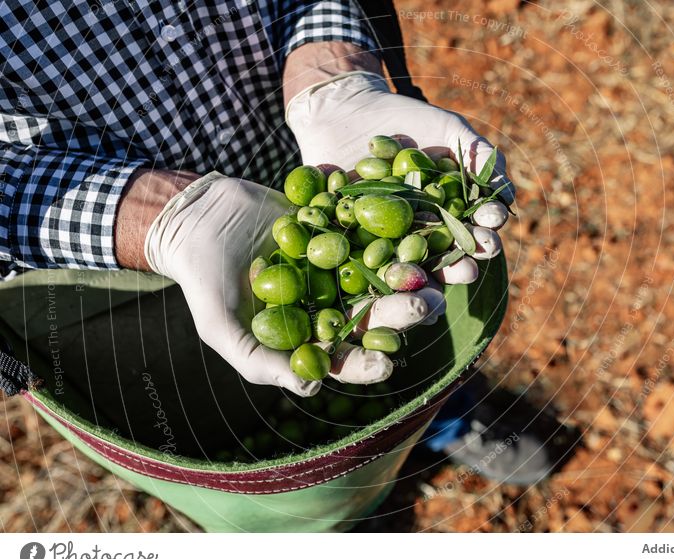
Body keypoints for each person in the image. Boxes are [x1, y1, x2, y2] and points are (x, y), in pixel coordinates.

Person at [0, 0, 552, 484]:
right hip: (94, 257)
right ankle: (306, 506)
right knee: (192, 411)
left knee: (403, 331)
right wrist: (160, 220)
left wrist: (332, 81)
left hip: (307, 147)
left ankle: (440, 419)